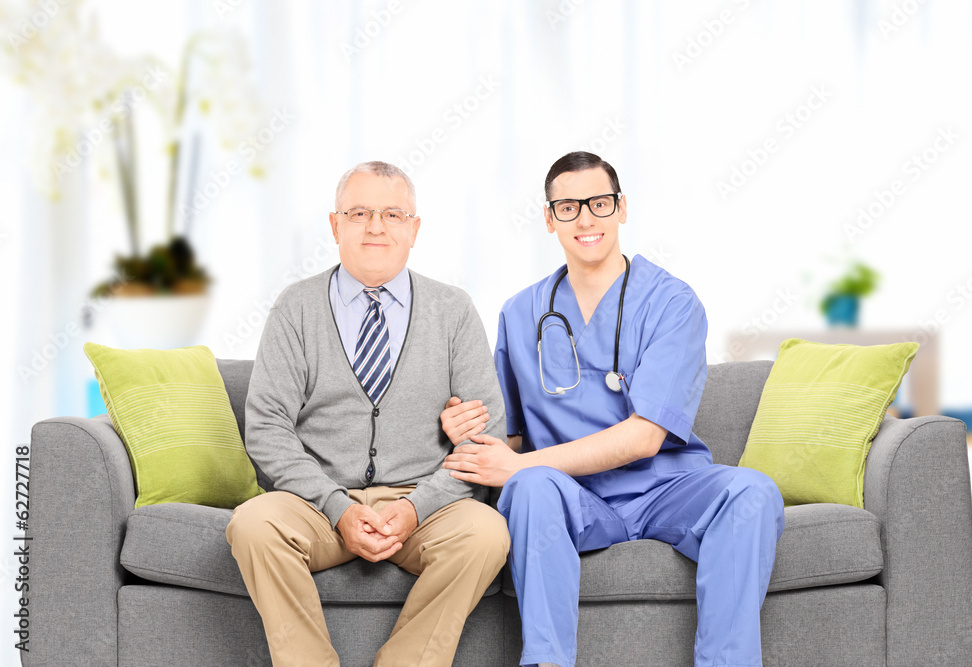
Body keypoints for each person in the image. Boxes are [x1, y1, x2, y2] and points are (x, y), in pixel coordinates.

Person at [440, 151, 785, 667]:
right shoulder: (521, 313)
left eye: (599, 203)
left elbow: (646, 436)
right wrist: (461, 427)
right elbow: (509, 434)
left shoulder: (672, 302)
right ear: (549, 217)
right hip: (572, 498)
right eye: (569, 207)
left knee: (752, 490)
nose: (585, 219)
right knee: (529, 487)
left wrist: (521, 463)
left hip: (666, 488)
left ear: (622, 208)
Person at [227, 160, 510, 667]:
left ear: (414, 229)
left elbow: (484, 436)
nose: (375, 227)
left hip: (423, 504)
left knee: (487, 533)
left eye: (392, 214)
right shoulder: (295, 308)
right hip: (315, 503)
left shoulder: (454, 311)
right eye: (358, 213)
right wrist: (337, 507)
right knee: (253, 524)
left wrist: (416, 507)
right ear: (335, 226)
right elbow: (268, 428)